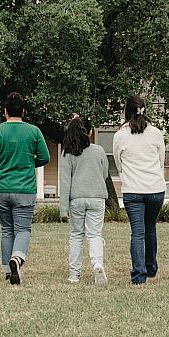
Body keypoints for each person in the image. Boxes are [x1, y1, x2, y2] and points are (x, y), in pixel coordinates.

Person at [0, 92, 50, 286]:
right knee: (23, 229)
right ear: (24, 111)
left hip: (0, 189)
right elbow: (45, 157)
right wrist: (30, 161)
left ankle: (8, 272)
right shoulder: (33, 131)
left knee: (7, 229)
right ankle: (17, 259)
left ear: (5, 112)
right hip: (24, 188)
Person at [112, 96, 166, 285]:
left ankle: (138, 275)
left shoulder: (120, 135)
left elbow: (118, 164)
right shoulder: (156, 133)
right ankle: (151, 268)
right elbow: (161, 160)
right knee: (150, 228)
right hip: (155, 189)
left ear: (126, 111)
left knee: (137, 232)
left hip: (132, 189)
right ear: (144, 109)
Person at [59, 116, 109, 287]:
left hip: (77, 199)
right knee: (95, 234)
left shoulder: (67, 153)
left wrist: (63, 209)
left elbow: (65, 183)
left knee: (76, 235)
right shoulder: (99, 151)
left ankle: (74, 274)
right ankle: (97, 263)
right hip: (97, 197)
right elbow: (105, 174)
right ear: (89, 132)